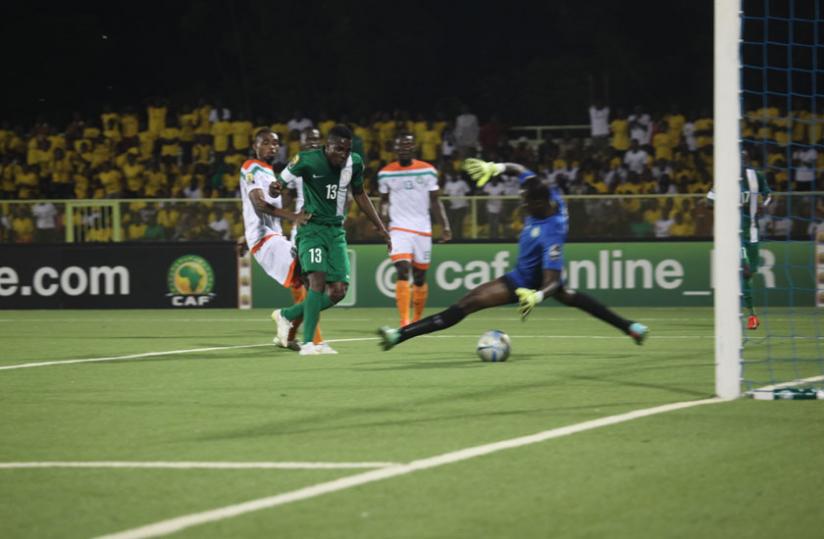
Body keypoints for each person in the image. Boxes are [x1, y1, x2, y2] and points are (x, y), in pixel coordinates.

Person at [377, 158, 649, 351]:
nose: (522, 204)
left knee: (467, 304)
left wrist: (537, 295)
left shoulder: (552, 231)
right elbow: (520, 170)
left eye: (526, 202)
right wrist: (495, 168)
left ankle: (398, 336)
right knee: (576, 298)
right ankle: (632, 328)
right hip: (521, 275)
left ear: (540, 204)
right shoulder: (546, 191)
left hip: (527, 281)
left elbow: (553, 279)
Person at [272, 125, 391, 355]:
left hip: (336, 232)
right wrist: (276, 187)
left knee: (338, 291)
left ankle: (287, 315)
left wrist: (381, 227)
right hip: (311, 229)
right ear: (327, 145)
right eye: (339, 149)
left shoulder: (354, 163)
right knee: (317, 281)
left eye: (347, 150)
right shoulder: (306, 159)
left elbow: (360, 194)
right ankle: (310, 343)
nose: (343, 154)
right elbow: (280, 183)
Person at [239, 129, 320, 351]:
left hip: (270, 237)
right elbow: (259, 204)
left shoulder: (270, 172)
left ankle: (290, 332)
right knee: (312, 276)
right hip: (265, 240)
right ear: (255, 145)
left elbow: (259, 211)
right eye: (266, 143)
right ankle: (308, 337)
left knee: (310, 278)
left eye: (275, 143)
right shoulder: (250, 166)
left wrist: (244, 235)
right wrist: (294, 216)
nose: (272, 147)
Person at [378, 133, 451, 326]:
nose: (404, 148)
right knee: (402, 270)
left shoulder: (428, 171)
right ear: (395, 149)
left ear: (414, 148)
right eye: (401, 145)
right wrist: (382, 225)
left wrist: (445, 226)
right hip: (398, 228)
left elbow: (435, 201)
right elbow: (384, 203)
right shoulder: (385, 173)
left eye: (408, 144)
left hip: (422, 229)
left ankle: (417, 319)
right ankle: (404, 321)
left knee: (419, 277)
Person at [707, 150, 772, 330]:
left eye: (744, 158)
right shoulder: (725, 179)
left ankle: (739, 304)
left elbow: (769, 195)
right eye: (738, 159)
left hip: (752, 232)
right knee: (744, 271)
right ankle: (752, 315)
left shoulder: (756, 177)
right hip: (735, 234)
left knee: (750, 273)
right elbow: (709, 200)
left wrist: (762, 205)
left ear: (748, 160)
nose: (741, 162)